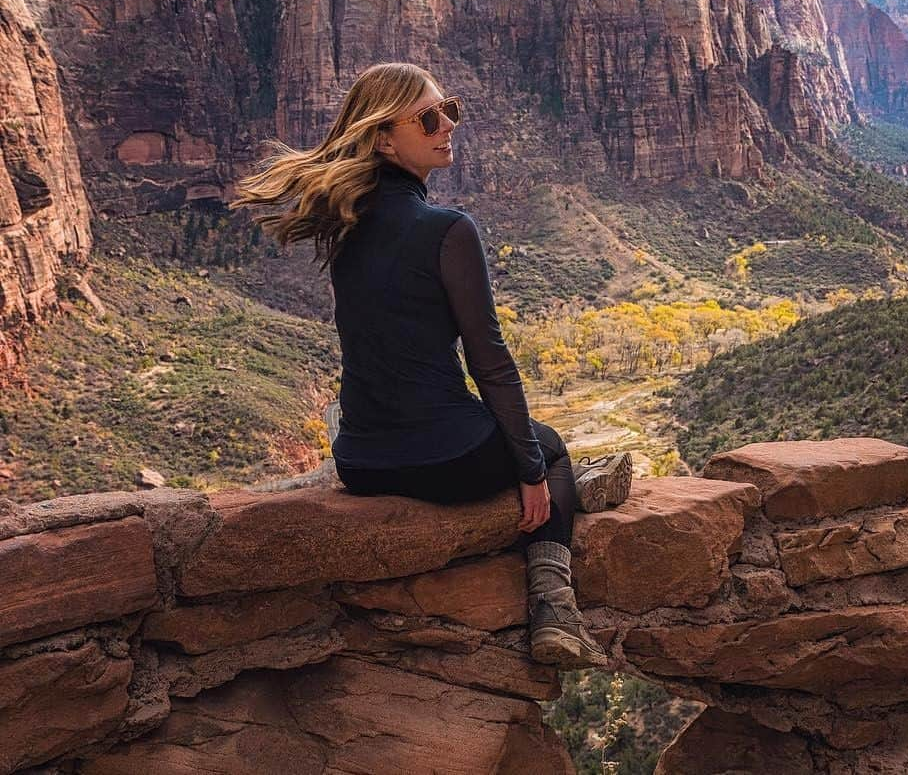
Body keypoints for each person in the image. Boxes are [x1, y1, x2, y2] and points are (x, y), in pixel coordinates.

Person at [230, 61, 632, 668]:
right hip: (447, 462)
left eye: (450, 109)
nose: (447, 124)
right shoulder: (448, 229)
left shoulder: (345, 229)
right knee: (549, 447)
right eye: (428, 116)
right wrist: (527, 468)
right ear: (384, 138)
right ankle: (555, 611)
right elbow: (490, 362)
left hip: (361, 462)